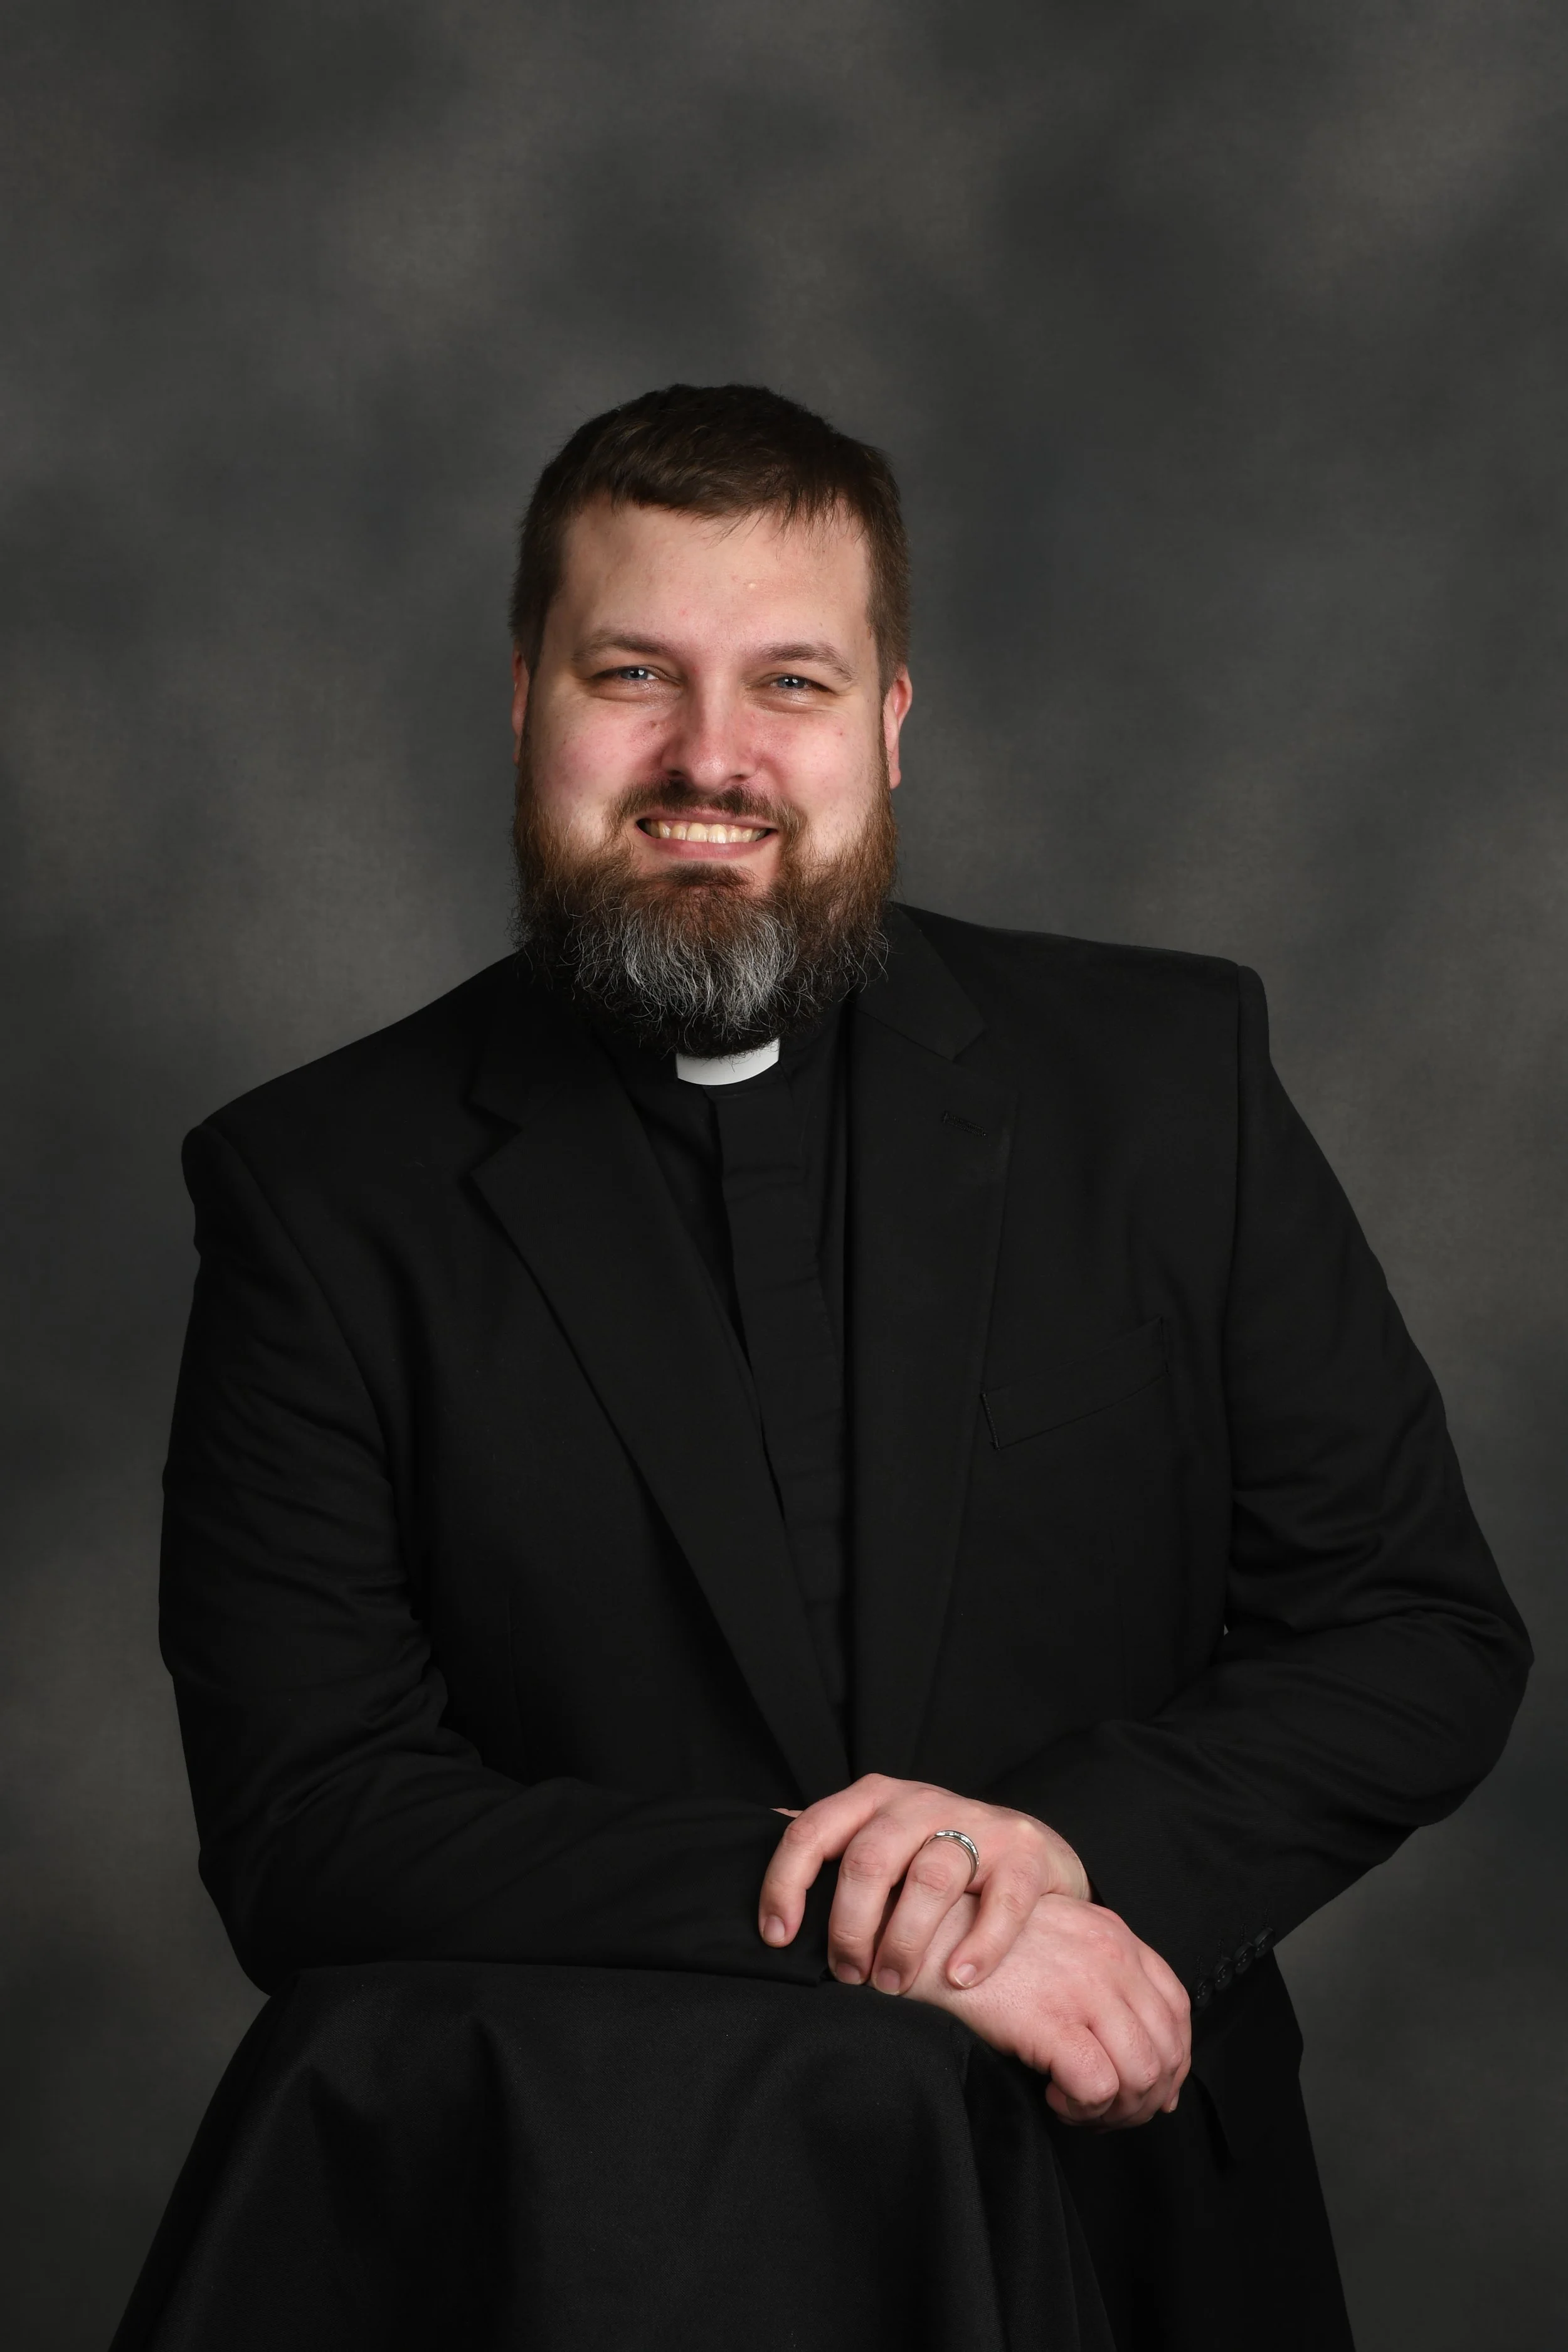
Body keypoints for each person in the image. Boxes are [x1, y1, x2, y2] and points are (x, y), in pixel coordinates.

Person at [127, 383, 1530, 2351]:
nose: (713, 757)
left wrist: (1044, 1854)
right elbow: (308, 1816)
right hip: (581, 2241)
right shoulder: (318, 1188)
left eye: (789, 681)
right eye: (635, 672)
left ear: (886, 721)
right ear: (523, 695)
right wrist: (883, 1914)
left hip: (1115, 2199)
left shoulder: (1160, 1085)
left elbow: (1410, 1633)